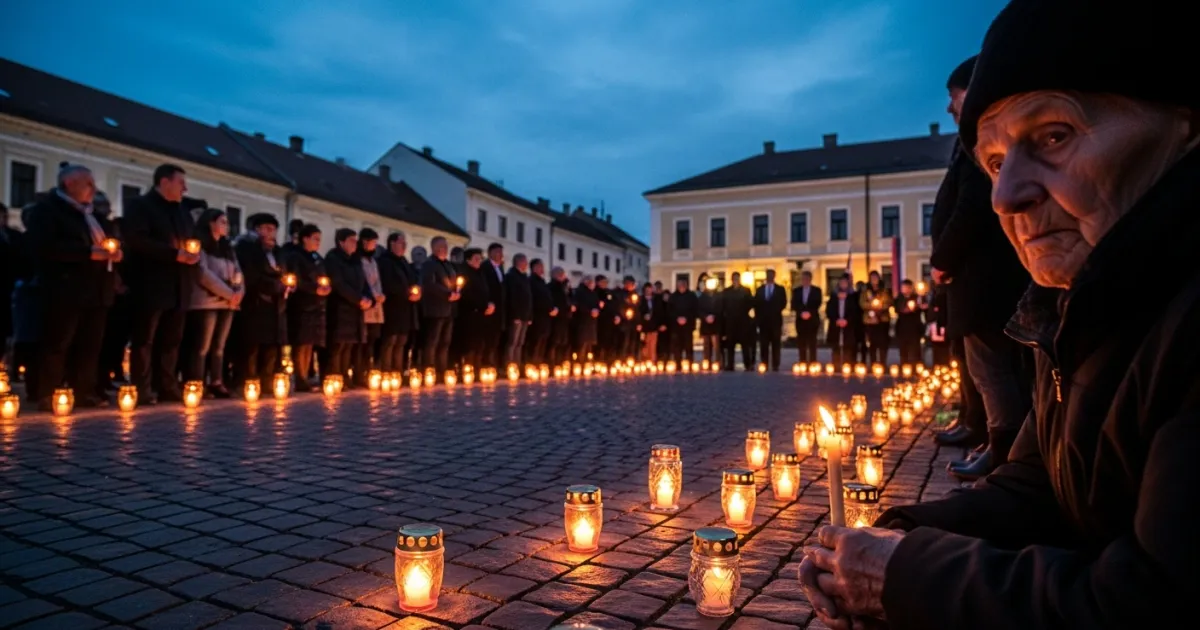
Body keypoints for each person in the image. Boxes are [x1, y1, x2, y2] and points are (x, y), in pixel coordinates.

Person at [801, 4, 1200, 628]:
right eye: (992, 162)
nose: (1006, 195)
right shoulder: (1080, 308)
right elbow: (1040, 491)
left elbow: (1155, 604)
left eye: (1053, 135)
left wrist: (906, 576)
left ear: (1184, 125)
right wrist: (896, 533)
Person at [24, 164, 119, 409]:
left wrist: (115, 253)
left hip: (97, 289)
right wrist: (88, 252)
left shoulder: (91, 214)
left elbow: (107, 242)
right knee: (58, 342)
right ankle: (48, 392)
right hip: (64, 289)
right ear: (69, 184)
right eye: (88, 183)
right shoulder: (47, 211)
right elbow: (45, 247)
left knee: (90, 344)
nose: (93, 189)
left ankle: (84, 391)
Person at [124, 164, 199, 403]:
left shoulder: (182, 212)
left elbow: (191, 240)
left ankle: (166, 384)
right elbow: (137, 240)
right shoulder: (141, 206)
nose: (185, 188)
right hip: (151, 284)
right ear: (164, 182)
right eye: (180, 183)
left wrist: (192, 254)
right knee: (145, 339)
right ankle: (142, 387)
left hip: (179, 285)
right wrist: (173, 254)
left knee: (171, 339)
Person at [186, 208, 243, 397]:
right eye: (222, 222)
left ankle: (217, 381)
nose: (226, 226)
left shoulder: (228, 248)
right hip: (206, 302)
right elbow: (203, 274)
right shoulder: (201, 245)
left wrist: (239, 291)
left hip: (228, 303)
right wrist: (228, 293)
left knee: (219, 346)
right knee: (203, 345)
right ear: (211, 223)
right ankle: (197, 383)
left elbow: (238, 271)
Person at [233, 213, 288, 389]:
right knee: (251, 346)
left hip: (274, 306)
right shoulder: (247, 249)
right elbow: (250, 274)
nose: (272, 234)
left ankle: (266, 381)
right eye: (268, 229)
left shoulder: (277, 252)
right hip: (254, 303)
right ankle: (248, 381)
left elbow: (284, 273)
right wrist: (275, 285)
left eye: (274, 230)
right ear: (257, 230)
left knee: (271, 345)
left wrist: (287, 284)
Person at [285, 224, 329, 391]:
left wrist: (325, 287)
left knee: (310, 343)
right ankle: (300, 377)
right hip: (302, 305)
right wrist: (314, 288)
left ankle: (306, 376)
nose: (318, 242)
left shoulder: (317, 257)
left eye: (319, 239)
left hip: (316, 305)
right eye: (315, 238)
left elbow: (324, 276)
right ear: (305, 238)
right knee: (301, 342)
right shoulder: (296, 257)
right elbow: (296, 280)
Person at [324, 228, 369, 384]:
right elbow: (339, 283)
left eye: (356, 241)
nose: (355, 244)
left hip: (355, 309)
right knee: (338, 345)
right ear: (341, 242)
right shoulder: (333, 258)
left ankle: (344, 375)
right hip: (340, 307)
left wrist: (367, 297)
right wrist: (358, 299)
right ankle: (335, 376)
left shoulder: (355, 259)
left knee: (349, 345)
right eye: (351, 240)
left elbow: (364, 281)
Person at [378, 232, 420, 374]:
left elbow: (413, 280)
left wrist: (416, 291)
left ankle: (398, 370)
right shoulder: (385, 261)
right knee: (390, 340)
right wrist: (406, 292)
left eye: (405, 243)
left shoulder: (403, 262)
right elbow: (388, 284)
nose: (404, 246)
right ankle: (386, 370)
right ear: (392, 244)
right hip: (391, 307)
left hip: (405, 308)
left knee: (402, 340)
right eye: (401, 243)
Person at [420, 236, 459, 378]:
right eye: (443, 246)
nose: (446, 249)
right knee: (433, 341)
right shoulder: (429, 265)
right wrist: (447, 293)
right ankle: (429, 370)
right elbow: (429, 284)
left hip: (449, 309)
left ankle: (442, 370)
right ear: (435, 248)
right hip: (435, 310)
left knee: (445, 341)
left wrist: (456, 291)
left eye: (446, 246)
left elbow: (454, 282)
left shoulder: (448, 265)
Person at [352, 229, 385, 387]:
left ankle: (367, 371)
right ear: (365, 242)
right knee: (362, 342)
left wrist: (380, 294)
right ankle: (358, 373)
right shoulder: (358, 260)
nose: (375, 246)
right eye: (373, 243)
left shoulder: (373, 260)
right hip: (365, 304)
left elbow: (377, 279)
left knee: (372, 341)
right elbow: (363, 281)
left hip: (376, 305)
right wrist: (371, 295)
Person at [455, 248, 491, 370]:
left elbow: (485, 291)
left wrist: (489, 304)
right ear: (468, 260)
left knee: (480, 344)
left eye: (480, 258)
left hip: (481, 314)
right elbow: (466, 294)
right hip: (469, 314)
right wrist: (481, 305)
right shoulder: (464, 273)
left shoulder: (480, 273)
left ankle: (477, 367)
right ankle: (468, 369)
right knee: (469, 344)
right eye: (476, 258)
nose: (479, 261)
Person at [754, 269, 787, 371]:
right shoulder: (760, 290)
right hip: (763, 322)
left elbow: (783, 303)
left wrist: (774, 310)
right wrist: (758, 319)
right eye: (768, 275)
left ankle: (775, 364)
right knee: (764, 344)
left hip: (775, 321)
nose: (769, 277)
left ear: (774, 276)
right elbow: (756, 305)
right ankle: (764, 363)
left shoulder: (780, 289)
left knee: (776, 344)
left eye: (771, 275)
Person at [503, 253, 532, 367]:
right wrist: (515, 315)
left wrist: (530, 316)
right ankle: (509, 364)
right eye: (525, 261)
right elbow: (513, 297)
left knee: (520, 342)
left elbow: (529, 298)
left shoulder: (524, 277)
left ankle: (517, 364)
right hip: (517, 315)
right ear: (518, 262)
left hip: (525, 315)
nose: (526, 264)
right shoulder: (512, 276)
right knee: (512, 342)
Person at [720, 272, 754, 370]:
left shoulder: (746, 291)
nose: (735, 280)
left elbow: (750, 304)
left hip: (743, 322)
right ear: (731, 279)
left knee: (745, 345)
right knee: (730, 345)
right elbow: (723, 306)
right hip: (730, 322)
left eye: (737, 278)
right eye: (734, 278)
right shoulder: (726, 292)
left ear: (739, 279)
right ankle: (730, 364)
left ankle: (747, 364)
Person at [858, 271, 892, 365]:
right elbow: (862, 303)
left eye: (876, 278)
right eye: (872, 278)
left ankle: (882, 363)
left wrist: (880, 306)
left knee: (883, 343)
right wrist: (871, 306)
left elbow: (888, 302)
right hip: (870, 321)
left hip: (883, 320)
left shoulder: (884, 291)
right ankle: (873, 363)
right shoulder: (866, 292)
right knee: (872, 343)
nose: (874, 280)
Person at [825, 275, 859, 367]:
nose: (843, 285)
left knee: (848, 347)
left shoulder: (852, 296)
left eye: (845, 283)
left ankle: (848, 365)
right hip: (836, 324)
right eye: (841, 283)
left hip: (848, 326)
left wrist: (847, 320)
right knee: (836, 346)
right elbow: (829, 310)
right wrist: (836, 320)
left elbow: (855, 311)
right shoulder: (834, 296)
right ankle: (836, 365)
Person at [480, 243, 506, 368]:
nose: (500, 255)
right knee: (488, 338)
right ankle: (486, 363)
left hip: (500, 309)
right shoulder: (485, 267)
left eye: (501, 253)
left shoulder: (500, 268)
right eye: (497, 252)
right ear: (490, 253)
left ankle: (493, 363)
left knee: (496, 338)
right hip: (490, 308)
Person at [525, 258, 554, 365]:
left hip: (546, 317)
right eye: (540, 266)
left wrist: (552, 308)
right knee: (535, 342)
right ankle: (532, 364)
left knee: (543, 341)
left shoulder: (542, 282)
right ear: (534, 268)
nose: (543, 269)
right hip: (537, 317)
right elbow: (535, 299)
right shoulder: (531, 281)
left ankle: (539, 362)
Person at [790, 270, 822, 364]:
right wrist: (801, 313)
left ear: (810, 279)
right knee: (801, 342)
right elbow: (794, 304)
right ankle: (802, 361)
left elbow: (817, 302)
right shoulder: (796, 291)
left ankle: (813, 362)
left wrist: (809, 313)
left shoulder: (816, 290)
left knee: (812, 342)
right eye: (803, 279)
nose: (805, 280)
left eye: (807, 279)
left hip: (813, 320)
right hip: (800, 320)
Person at [892, 279, 925, 366]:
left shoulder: (917, 298)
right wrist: (905, 309)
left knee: (915, 352)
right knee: (903, 352)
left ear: (911, 288)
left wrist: (917, 307)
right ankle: (905, 370)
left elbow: (922, 308)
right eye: (904, 287)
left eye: (907, 287)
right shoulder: (899, 299)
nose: (905, 289)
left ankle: (916, 369)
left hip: (914, 328)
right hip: (902, 329)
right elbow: (897, 309)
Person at [668, 276, 697, 364]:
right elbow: (670, 310)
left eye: (683, 284)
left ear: (686, 285)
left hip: (688, 325)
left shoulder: (692, 296)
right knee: (677, 345)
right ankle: (678, 363)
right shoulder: (673, 297)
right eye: (679, 284)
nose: (681, 286)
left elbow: (695, 309)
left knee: (688, 345)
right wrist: (677, 318)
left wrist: (686, 318)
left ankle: (690, 362)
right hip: (676, 326)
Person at [548, 267, 572, 365]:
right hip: (556, 318)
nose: (563, 276)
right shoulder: (552, 287)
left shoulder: (564, 287)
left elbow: (568, 299)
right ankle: (553, 363)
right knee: (555, 342)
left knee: (563, 342)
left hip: (564, 318)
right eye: (561, 274)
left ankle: (561, 362)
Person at [571, 276, 599, 360]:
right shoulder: (580, 292)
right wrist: (589, 311)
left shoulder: (593, 293)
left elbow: (596, 304)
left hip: (591, 322)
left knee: (589, 344)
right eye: (590, 282)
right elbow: (579, 305)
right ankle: (580, 362)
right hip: (583, 321)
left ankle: (587, 362)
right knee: (582, 343)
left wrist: (597, 310)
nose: (592, 284)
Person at [696, 274, 721, 367]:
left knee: (717, 346)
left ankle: (718, 362)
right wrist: (705, 317)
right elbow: (698, 310)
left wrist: (714, 316)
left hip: (716, 324)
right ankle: (707, 362)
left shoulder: (719, 296)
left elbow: (721, 309)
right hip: (705, 325)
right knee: (706, 345)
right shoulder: (702, 297)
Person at [638, 282, 662, 362]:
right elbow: (638, 311)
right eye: (647, 290)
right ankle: (644, 360)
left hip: (654, 326)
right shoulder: (640, 299)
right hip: (644, 326)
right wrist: (643, 317)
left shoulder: (656, 299)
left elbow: (659, 312)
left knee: (653, 345)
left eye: (650, 289)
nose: (648, 291)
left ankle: (652, 360)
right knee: (645, 344)